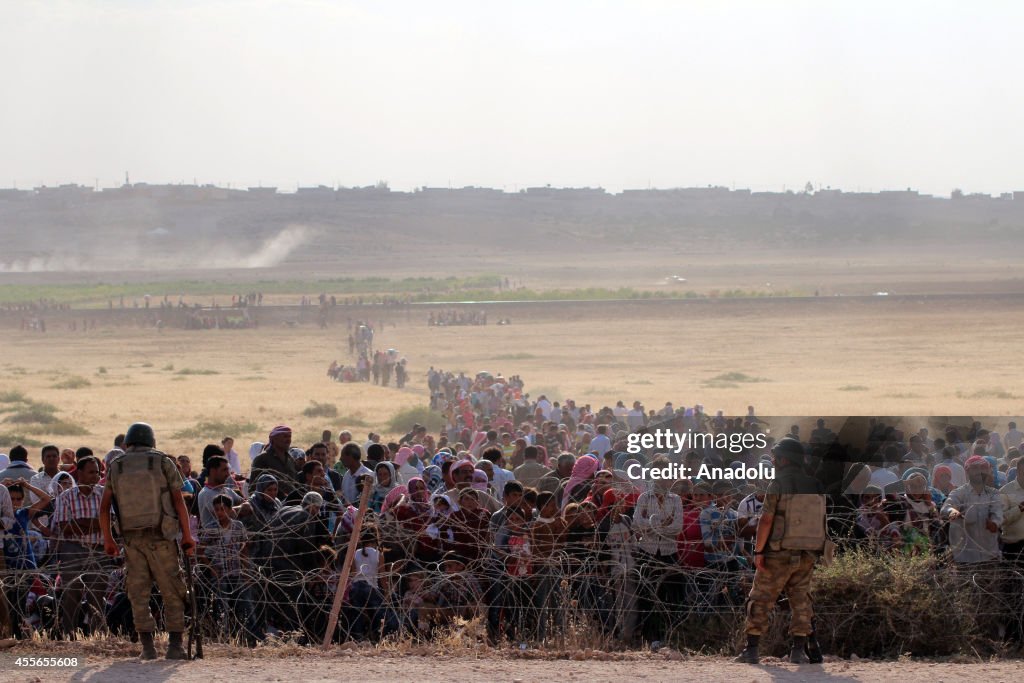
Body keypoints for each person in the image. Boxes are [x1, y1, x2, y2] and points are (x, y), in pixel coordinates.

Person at [101, 422, 195, 660]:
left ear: (128, 443)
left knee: (138, 594)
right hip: (162, 537)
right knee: (172, 592)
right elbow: (178, 501)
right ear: (152, 441)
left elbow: (103, 508)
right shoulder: (163, 462)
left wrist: (108, 540)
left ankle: (148, 647)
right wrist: (187, 535)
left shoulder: (116, 465)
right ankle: (175, 646)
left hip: (132, 540)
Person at [735, 437, 827, 665]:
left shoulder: (777, 484)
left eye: (776, 457)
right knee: (801, 601)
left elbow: (766, 520)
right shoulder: (815, 484)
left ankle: (752, 649)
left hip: (778, 552)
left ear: (784, 460)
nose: (774, 461)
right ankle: (798, 651)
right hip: (807, 552)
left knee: (760, 598)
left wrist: (758, 551)